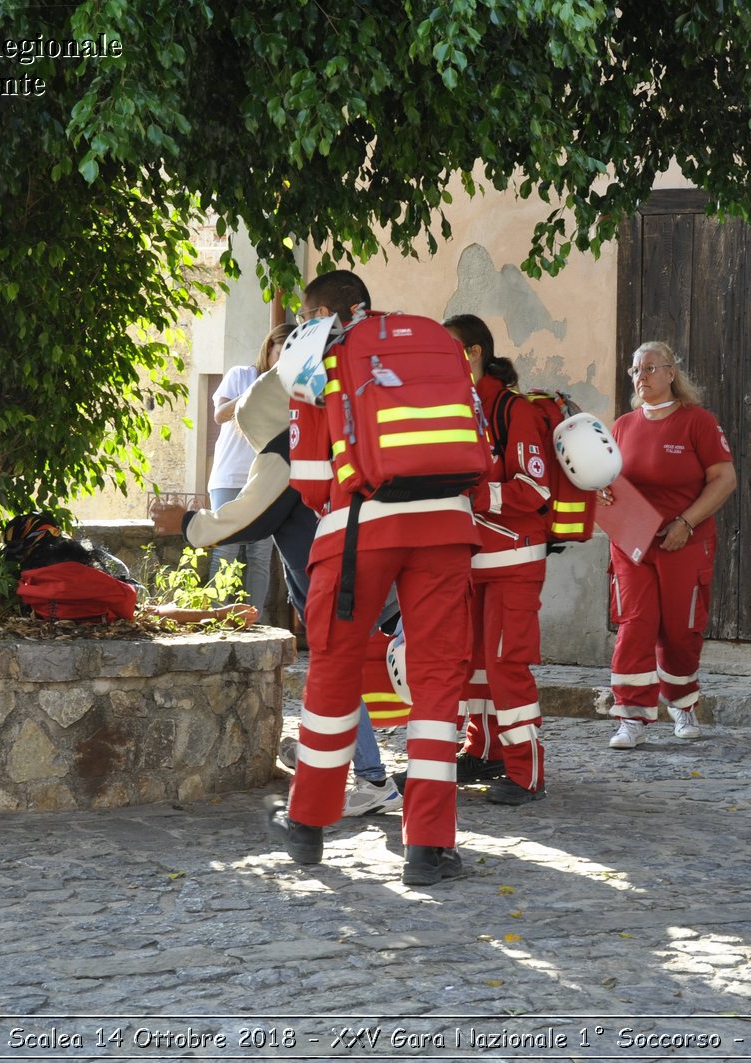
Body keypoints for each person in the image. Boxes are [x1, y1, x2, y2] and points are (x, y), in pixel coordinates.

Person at [266, 270, 477, 886]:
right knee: (437, 682)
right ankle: (429, 847)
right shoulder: (435, 346)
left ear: (325, 313)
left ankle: (307, 826)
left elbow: (306, 480)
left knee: (335, 668)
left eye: (307, 313)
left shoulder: (316, 360)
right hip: (446, 524)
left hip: (360, 528)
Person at [150, 334, 402, 819]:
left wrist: (186, 522)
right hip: (365, 570)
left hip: (339, 582)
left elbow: (249, 516)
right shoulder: (331, 432)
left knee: (339, 672)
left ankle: (369, 779)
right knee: (338, 671)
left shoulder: (287, 450)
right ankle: (329, 758)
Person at [599, 342, 736, 749]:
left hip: (685, 541)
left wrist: (685, 523)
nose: (641, 377)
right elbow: (605, 479)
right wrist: (603, 494)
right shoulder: (622, 426)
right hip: (631, 544)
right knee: (635, 624)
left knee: (680, 629)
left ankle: (682, 702)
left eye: (650, 368)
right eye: (635, 370)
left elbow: (724, 480)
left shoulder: (698, 422)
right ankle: (631, 716)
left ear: (672, 373)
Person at [442, 313, 550, 805]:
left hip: (513, 561)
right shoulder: (454, 409)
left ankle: (527, 772)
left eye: (450, 352)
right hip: (472, 561)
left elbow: (534, 487)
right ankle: (482, 750)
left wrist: (475, 495)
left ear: (475, 353)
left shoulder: (513, 410)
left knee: (507, 666)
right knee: (476, 667)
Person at [207, 329, 278, 622]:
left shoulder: (287, 387)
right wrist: (255, 391)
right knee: (225, 551)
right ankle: (215, 618)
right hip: (228, 478)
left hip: (265, 481)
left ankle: (253, 622)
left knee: (260, 557)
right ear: (268, 348)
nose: (284, 359)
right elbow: (220, 414)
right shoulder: (240, 375)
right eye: (281, 351)